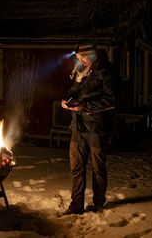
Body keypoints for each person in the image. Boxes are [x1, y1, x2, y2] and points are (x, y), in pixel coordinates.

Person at [61, 41, 120, 215]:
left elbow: (110, 99)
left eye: (82, 57)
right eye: (78, 58)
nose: (80, 61)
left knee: (97, 167)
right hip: (78, 126)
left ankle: (98, 204)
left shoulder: (107, 71)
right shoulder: (82, 71)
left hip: (97, 126)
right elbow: (74, 89)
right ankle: (76, 205)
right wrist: (69, 100)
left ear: (92, 55)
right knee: (76, 167)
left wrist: (84, 106)